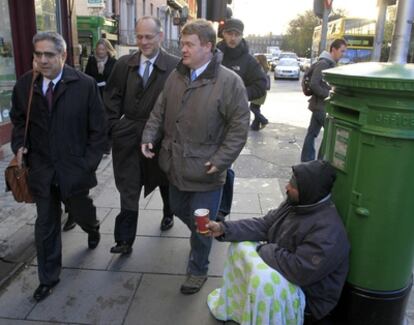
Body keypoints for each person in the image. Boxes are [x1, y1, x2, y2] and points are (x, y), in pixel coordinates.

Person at [141, 19, 249, 295]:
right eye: (182, 44)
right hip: (175, 165)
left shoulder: (229, 82)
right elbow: (158, 111)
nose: (183, 49)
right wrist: (148, 136)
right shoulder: (176, 76)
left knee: (200, 225)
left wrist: (222, 159)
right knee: (177, 208)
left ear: (208, 47)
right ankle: (212, 231)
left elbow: (239, 127)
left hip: (207, 170)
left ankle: (197, 269)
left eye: (189, 44)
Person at [10, 31, 107, 302]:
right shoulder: (25, 85)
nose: (42, 60)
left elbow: (99, 130)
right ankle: (48, 278)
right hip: (41, 167)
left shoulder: (84, 84)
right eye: (38, 54)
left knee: (80, 208)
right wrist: (19, 145)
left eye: (49, 54)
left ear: (63, 56)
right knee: (46, 223)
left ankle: (93, 227)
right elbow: (19, 120)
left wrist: (88, 164)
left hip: (74, 168)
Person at [206, 160, 350, 325]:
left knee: (262, 281)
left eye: (293, 185)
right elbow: (264, 224)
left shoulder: (328, 231)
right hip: (287, 269)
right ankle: (246, 309)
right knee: (240, 247)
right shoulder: (296, 204)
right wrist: (223, 228)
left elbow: (299, 270)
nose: (287, 187)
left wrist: (265, 249)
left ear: (309, 190)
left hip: (309, 299)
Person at [104, 17, 179, 255]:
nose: (143, 42)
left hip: (161, 137)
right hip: (128, 136)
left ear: (160, 36)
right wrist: (115, 126)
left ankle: (169, 211)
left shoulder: (176, 66)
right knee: (128, 186)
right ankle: (124, 239)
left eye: (148, 36)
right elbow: (111, 98)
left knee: (164, 180)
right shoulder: (124, 64)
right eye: (139, 37)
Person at [216, 18, 267, 221]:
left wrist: (240, 93)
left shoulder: (248, 60)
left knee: (225, 164)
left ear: (241, 35)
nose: (233, 37)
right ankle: (207, 201)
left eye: (236, 34)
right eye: (229, 33)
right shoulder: (213, 53)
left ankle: (222, 209)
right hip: (209, 116)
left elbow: (261, 84)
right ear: (223, 34)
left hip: (233, 119)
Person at [301, 39, 347, 162]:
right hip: (322, 107)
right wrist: (330, 95)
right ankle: (321, 161)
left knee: (312, 133)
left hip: (319, 106)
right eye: (342, 51)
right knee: (330, 134)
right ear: (334, 49)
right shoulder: (324, 64)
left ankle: (307, 161)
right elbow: (314, 84)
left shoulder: (328, 63)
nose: (343, 54)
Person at [250, 54, 270, 131]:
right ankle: (255, 126)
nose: (255, 60)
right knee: (256, 108)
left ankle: (263, 120)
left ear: (260, 60)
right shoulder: (265, 68)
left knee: (252, 107)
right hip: (262, 91)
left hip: (259, 90)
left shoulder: (259, 68)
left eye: (257, 59)